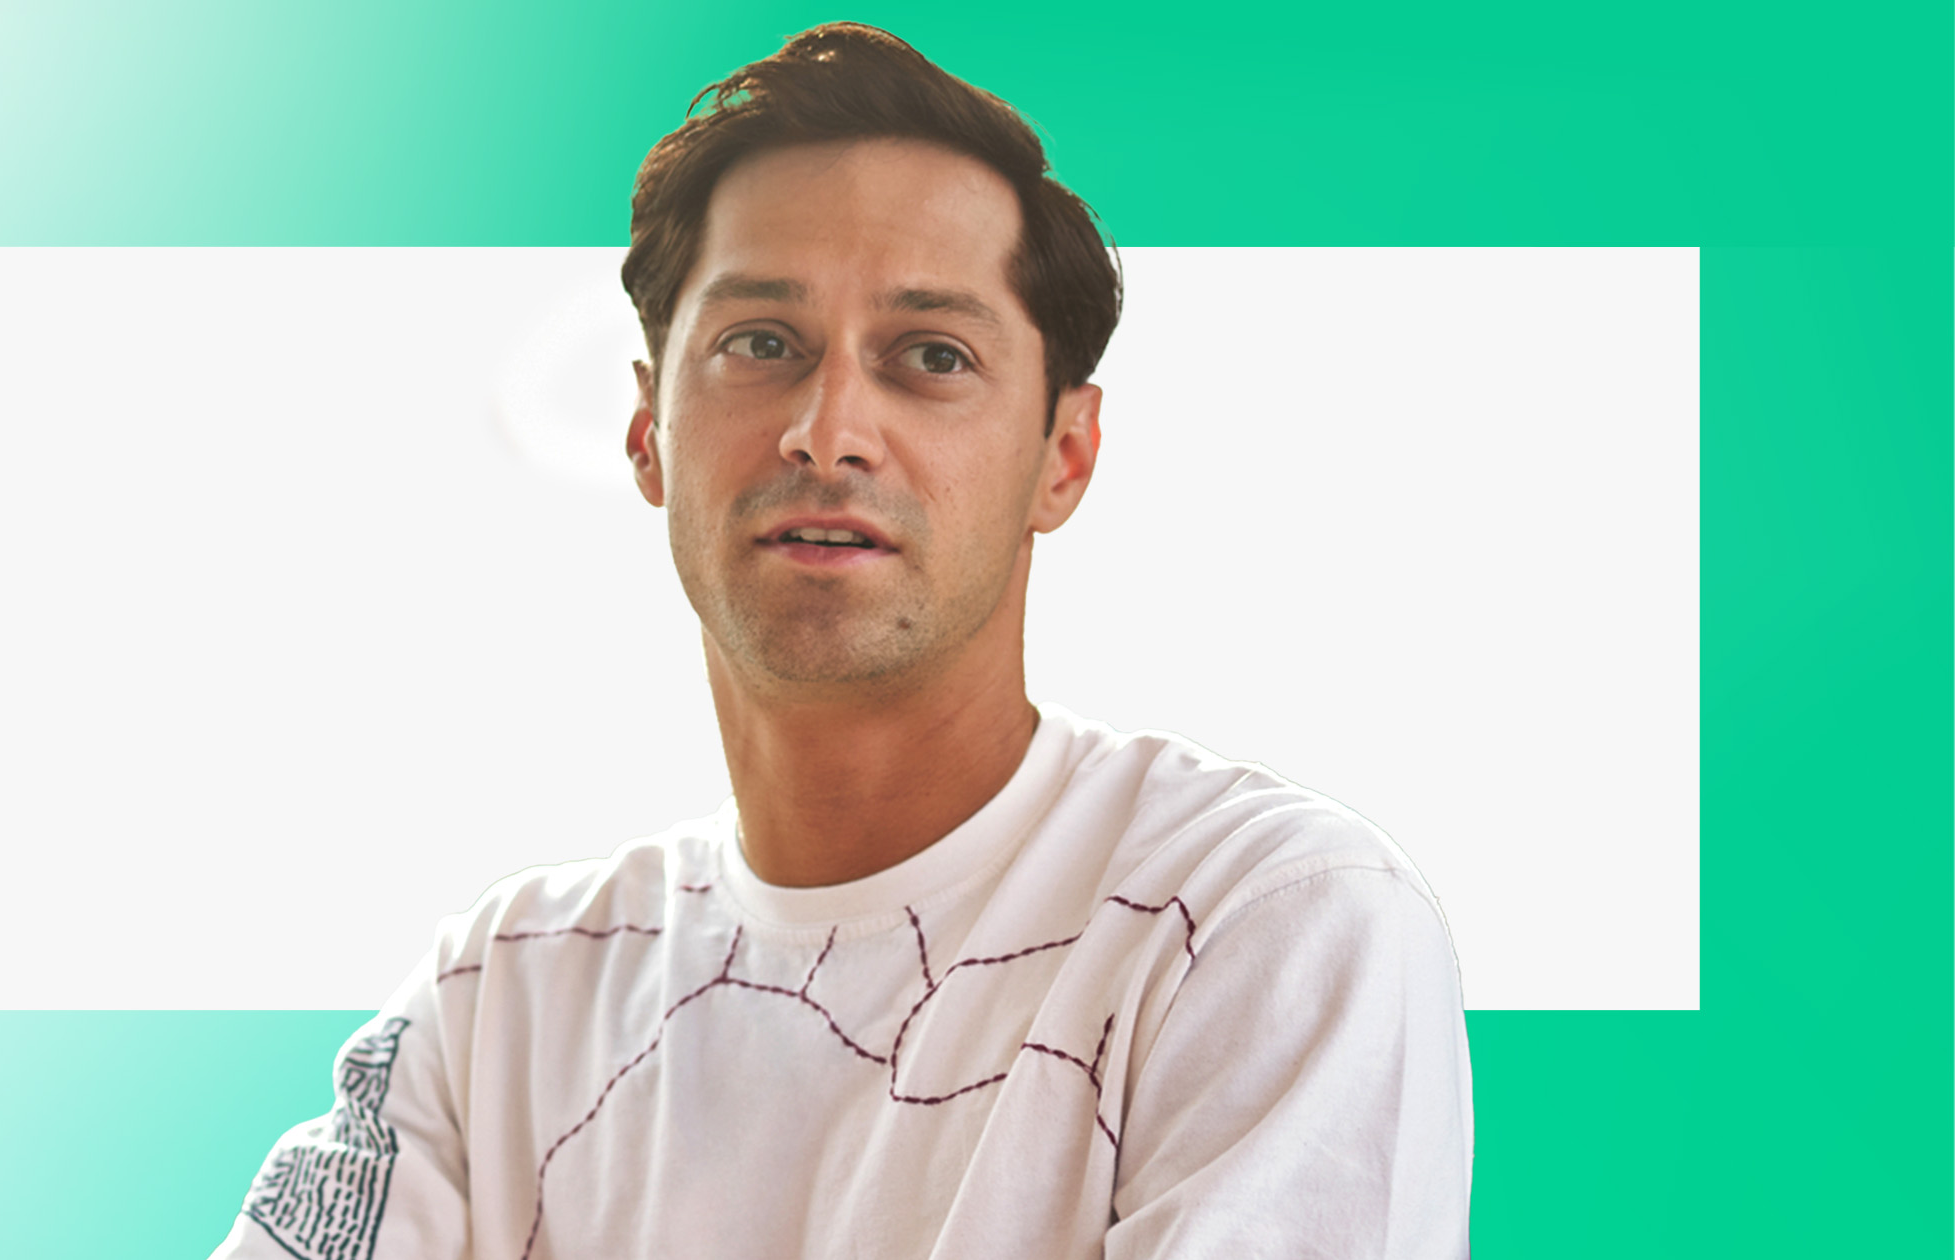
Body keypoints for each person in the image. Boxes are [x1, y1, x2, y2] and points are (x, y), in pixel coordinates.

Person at [210, 22, 1471, 1260]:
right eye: (761, 344)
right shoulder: (499, 1000)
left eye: (931, 356)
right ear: (647, 432)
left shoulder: (1259, 925)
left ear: (1063, 456)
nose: (828, 429)